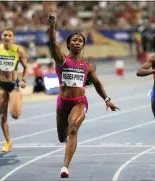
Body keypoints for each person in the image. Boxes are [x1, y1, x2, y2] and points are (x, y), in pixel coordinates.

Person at [47, 7, 119, 178]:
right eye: (75, 40)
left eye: (81, 41)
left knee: (73, 129)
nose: (78, 42)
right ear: (69, 44)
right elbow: (52, 45)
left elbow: (97, 83)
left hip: (79, 102)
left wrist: (107, 99)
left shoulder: (87, 66)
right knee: (61, 136)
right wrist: (52, 26)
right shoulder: (62, 59)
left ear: (83, 45)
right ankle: (65, 141)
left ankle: (65, 167)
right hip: (62, 102)